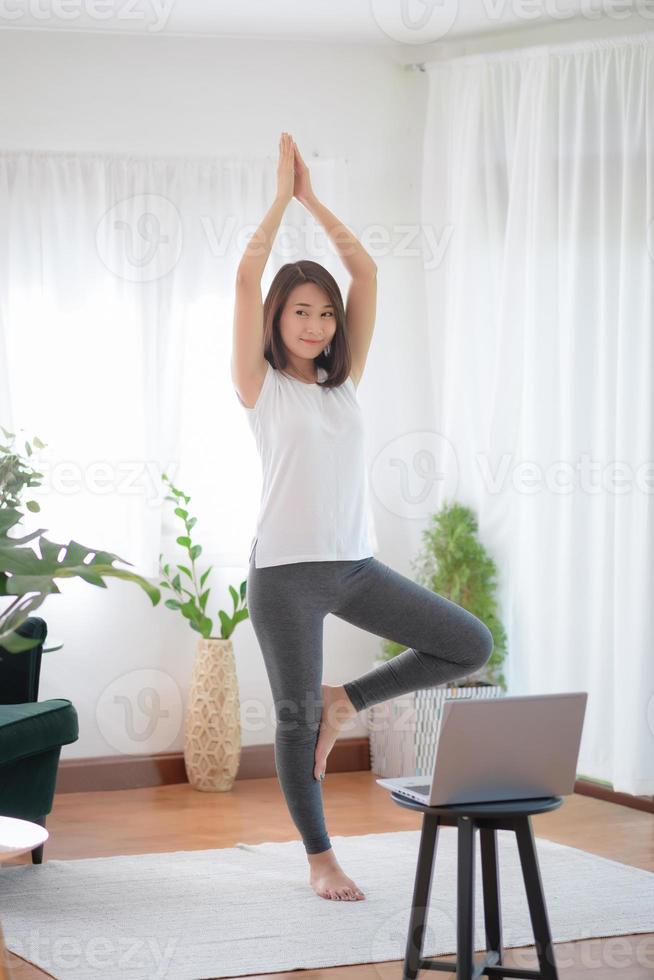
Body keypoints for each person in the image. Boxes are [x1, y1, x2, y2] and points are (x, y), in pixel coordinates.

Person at [231, 131, 493, 902]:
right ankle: (320, 857)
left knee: (466, 642)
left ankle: (346, 701)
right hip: (284, 577)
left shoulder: (343, 388)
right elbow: (246, 275)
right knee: (290, 719)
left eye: (326, 314)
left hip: (354, 565)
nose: (315, 325)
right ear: (278, 319)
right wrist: (282, 198)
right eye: (301, 312)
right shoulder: (262, 388)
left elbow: (367, 270)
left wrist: (316, 199)